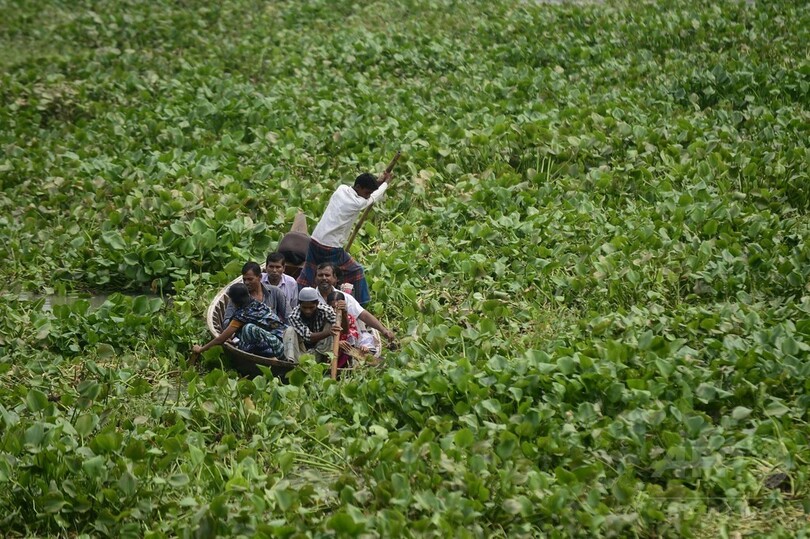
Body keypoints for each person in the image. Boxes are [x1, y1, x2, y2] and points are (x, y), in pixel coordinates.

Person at [297, 170, 393, 306]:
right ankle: (361, 305)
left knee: (309, 273)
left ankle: (297, 299)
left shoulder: (341, 189)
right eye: (366, 193)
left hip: (315, 240)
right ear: (358, 187)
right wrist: (386, 184)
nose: (366, 196)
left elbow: (369, 194)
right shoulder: (357, 203)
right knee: (354, 271)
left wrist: (379, 182)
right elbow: (373, 197)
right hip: (330, 248)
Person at [192, 283, 285, 358]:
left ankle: (267, 355)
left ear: (233, 301)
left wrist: (201, 349)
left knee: (248, 329)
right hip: (285, 344)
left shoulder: (242, 316)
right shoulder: (259, 305)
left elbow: (220, 339)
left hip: (276, 350)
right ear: (248, 294)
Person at [313, 262, 395, 343]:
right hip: (318, 339)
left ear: (334, 278)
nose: (324, 278)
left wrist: (384, 331)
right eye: (320, 275)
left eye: (327, 275)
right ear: (315, 278)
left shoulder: (345, 297)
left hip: (342, 338)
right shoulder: (310, 297)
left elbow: (363, 315)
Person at [283, 287, 339, 364]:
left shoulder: (326, 310)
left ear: (317, 304)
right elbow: (308, 337)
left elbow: (341, 329)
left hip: (321, 350)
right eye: (304, 307)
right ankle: (290, 363)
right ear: (299, 304)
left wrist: (344, 312)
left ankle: (328, 362)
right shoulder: (294, 316)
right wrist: (328, 332)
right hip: (301, 351)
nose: (308, 311)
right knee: (289, 330)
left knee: (332, 325)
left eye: (311, 307)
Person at [327, 290, 380, 368]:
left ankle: (349, 364)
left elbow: (353, 336)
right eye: (332, 307)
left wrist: (363, 348)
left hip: (347, 350)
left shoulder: (349, 318)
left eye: (337, 308)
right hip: (329, 349)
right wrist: (337, 343)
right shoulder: (325, 317)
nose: (335, 311)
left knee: (355, 342)